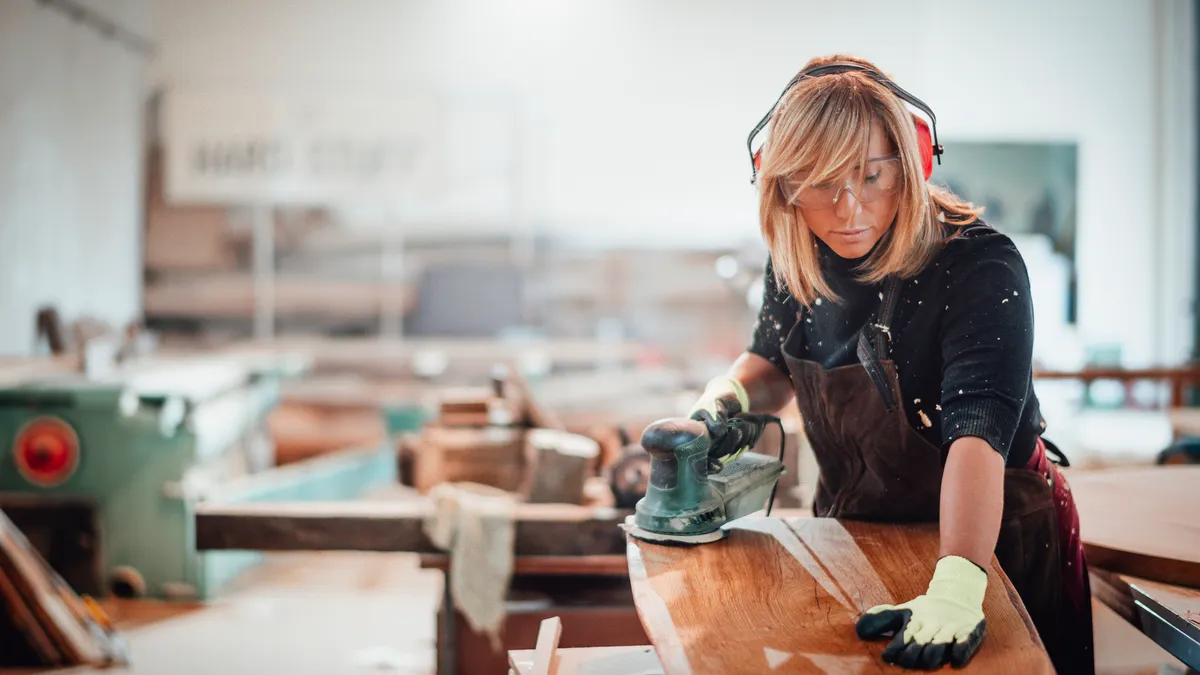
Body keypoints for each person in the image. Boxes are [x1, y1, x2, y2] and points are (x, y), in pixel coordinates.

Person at [689, 54, 1093, 673]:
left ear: (911, 164)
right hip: (859, 533)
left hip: (991, 548)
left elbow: (977, 435)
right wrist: (725, 401)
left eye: (871, 176)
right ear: (783, 185)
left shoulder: (980, 266)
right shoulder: (798, 256)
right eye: (823, 184)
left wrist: (958, 586)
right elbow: (773, 362)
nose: (849, 209)